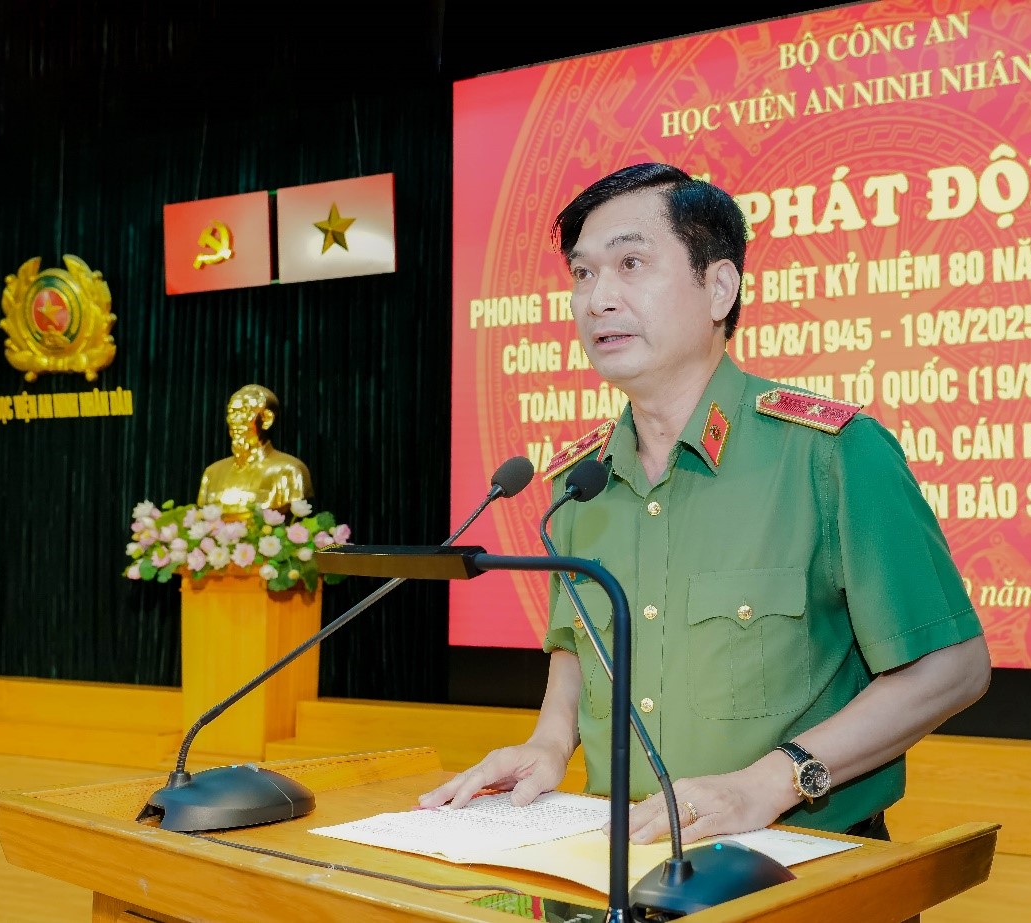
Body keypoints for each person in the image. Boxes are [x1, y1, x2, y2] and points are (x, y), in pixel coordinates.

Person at [421, 163, 990, 844]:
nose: (598, 298)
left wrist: (771, 783)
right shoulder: (579, 484)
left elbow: (952, 669)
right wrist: (548, 742)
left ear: (719, 287)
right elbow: (577, 648)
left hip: (803, 861)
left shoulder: (832, 454)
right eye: (582, 274)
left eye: (631, 263)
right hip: (622, 857)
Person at [197, 384, 313, 516]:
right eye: (231, 412)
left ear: (267, 419)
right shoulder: (212, 473)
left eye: (243, 411)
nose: (234, 420)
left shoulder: (289, 470)